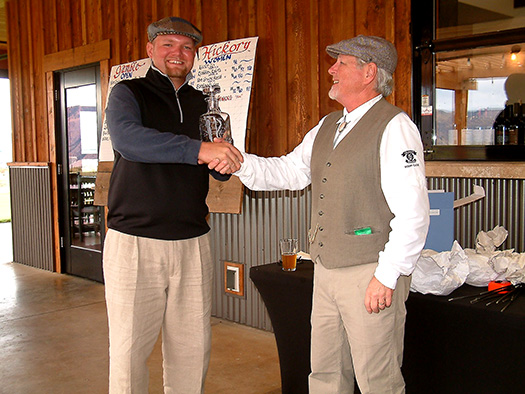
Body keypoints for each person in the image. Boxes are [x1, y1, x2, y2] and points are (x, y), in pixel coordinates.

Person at [233, 35, 430, 393]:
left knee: (378, 379)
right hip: (326, 270)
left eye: (342, 63)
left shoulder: (396, 127)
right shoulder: (327, 126)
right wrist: (238, 161)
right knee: (324, 373)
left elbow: (414, 214)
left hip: (370, 272)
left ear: (369, 72)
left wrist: (386, 277)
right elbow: (288, 172)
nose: (331, 69)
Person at [102, 16, 243, 393]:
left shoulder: (203, 103)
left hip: (191, 242)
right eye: (168, 45)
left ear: (194, 54)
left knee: (192, 350)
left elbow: (219, 174)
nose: (177, 53)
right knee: (129, 354)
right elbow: (131, 142)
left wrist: (224, 157)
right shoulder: (127, 93)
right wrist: (201, 149)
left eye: (186, 47)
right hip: (134, 242)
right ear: (150, 50)